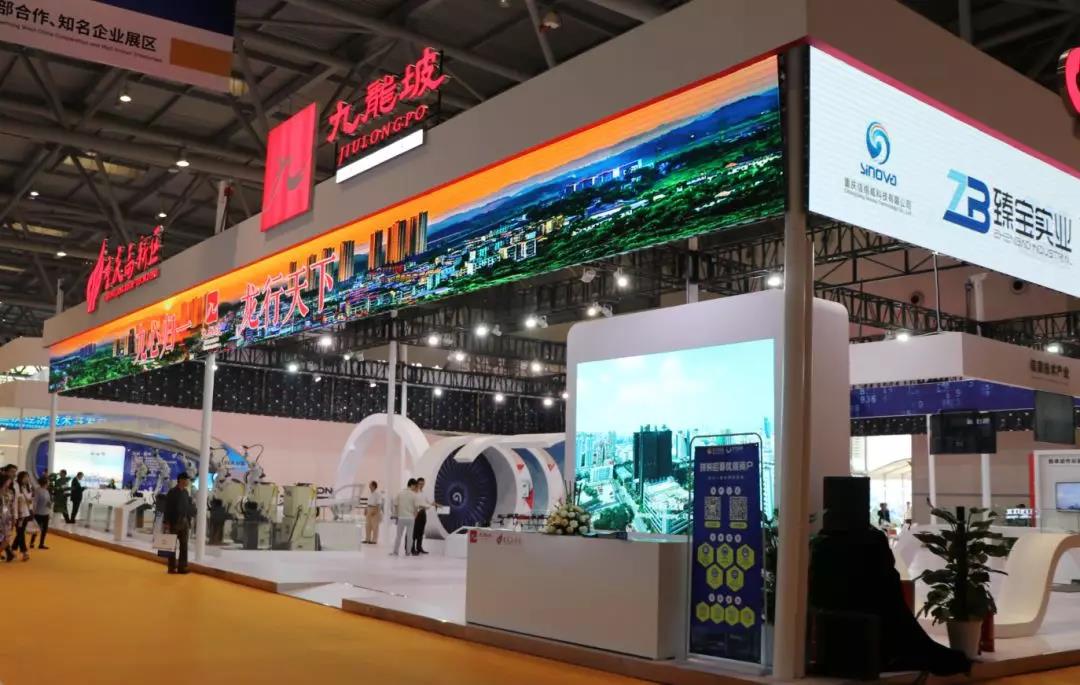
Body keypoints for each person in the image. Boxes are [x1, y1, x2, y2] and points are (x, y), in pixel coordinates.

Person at [163, 472, 194, 574]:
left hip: (184, 522)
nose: (188, 482)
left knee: (184, 545)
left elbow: (187, 507)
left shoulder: (186, 492)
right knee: (172, 545)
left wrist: (189, 520)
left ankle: (182, 567)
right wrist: (166, 522)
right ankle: (171, 567)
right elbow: (167, 508)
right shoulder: (172, 492)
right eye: (186, 479)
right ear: (181, 480)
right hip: (174, 522)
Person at [391, 479, 418, 556]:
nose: (415, 487)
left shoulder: (400, 493)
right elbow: (416, 507)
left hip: (401, 517)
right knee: (410, 536)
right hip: (411, 518)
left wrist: (396, 515)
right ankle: (408, 552)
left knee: (398, 536)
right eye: (415, 486)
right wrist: (415, 516)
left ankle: (395, 552)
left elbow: (395, 505)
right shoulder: (414, 495)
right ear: (412, 485)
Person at [12, 471, 33, 561]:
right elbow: (15, 501)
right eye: (25, 477)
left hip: (26, 513)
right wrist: (15, 515)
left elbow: (29, 500)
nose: (26, 479)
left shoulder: (27, 487)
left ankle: (12, 549)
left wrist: (30, 501)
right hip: (19, 514)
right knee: (20, 532)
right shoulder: (16, 486)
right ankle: (24, 552)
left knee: (20, 533)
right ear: (20, 478)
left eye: (27, 477)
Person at [412, 478, 432, 555]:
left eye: (423, 484)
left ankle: (419, 547)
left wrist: (434, 504)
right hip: (416, 513)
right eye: (420, 483)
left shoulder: (424, 493)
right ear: (417, 483)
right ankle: (412, 548)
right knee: (414, 531)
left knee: (421, 531)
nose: (421, 485)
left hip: (423, 513)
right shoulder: (414, 492)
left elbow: (428, 502)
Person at [31, 475, 52, 549]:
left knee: (45, 530)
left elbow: (48, 502)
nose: (49, 482)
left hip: (46, 513)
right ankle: (32, 542)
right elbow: (35, 502)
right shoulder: (38, 490)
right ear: (45, 482)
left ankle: (41, 544)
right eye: (48, 481)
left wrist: (49, 511)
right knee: (36, 529)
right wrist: (33, 511)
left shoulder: (47, 491)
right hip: (38, 513)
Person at [0, 473, 14, 562]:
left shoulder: (10, 492)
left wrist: (13, 516)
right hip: (0, 516)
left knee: (7, 538)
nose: (10, 482)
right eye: (8, 480)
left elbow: (11, 505)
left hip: (7, 517)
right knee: (3, 537)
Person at [364, 481, 382, 545]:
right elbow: (368, 502)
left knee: (375, 526)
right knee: (367, 525)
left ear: (374, 486)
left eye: (370, 485)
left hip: (374, 509)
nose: (369, 486)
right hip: (369, 508)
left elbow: (379, 504)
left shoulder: (377, 494)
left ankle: (374, 540)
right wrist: (366, 509)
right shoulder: (370, 493)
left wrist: (376, 511)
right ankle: (367, 539)